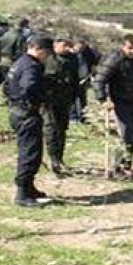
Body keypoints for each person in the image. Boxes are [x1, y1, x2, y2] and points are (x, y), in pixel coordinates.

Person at [93, 33, 133, 178]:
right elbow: (99, 80)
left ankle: (127, 165)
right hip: (119, 101)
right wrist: (103, 99)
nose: (132, 51)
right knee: (125, 133)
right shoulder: (115, 59)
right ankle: (116, 166)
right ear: (123, 46)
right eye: (129, 48)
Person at [4, 35, 53, 207]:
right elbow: (29, 87)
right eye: (46, 53)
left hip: (16, 111)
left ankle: (29, 187)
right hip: (27, 114)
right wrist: (40, 100)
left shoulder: (19, 62)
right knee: (30, 153)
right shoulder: (31, 66)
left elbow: (6, 86)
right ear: (40, 50)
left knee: (32, 151)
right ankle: (22, 193)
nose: (47, 57)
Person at [42, 35, 80, 175]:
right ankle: (52, 158)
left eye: (69, 45)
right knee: (51, 128)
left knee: (62, 129)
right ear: (56, 44)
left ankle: (59, 157)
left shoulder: (72, 59)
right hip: (50, 100)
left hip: (65, 99)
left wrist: (75, 96)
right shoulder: (48, 58)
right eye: (65, 45)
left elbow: (75, 79)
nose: (67, 48)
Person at [71, 38, 101, 123]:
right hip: (74, 78)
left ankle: (83, 116)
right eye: (79, 47)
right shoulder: (72, 53)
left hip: (84, 78)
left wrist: (92, 72)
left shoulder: (89, 53)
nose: (80, 49)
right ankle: (73, 117)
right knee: (73, 98)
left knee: (82, 98)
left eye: (82, 47)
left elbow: (97, 58)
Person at [0, 18, 27, 101]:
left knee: (6, 79)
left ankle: (5, 97)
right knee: (13, 80)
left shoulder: (6, 34)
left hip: (3, 60)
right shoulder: (20, 37)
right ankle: (11, 97)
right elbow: (20, 52)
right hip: (12, 61)